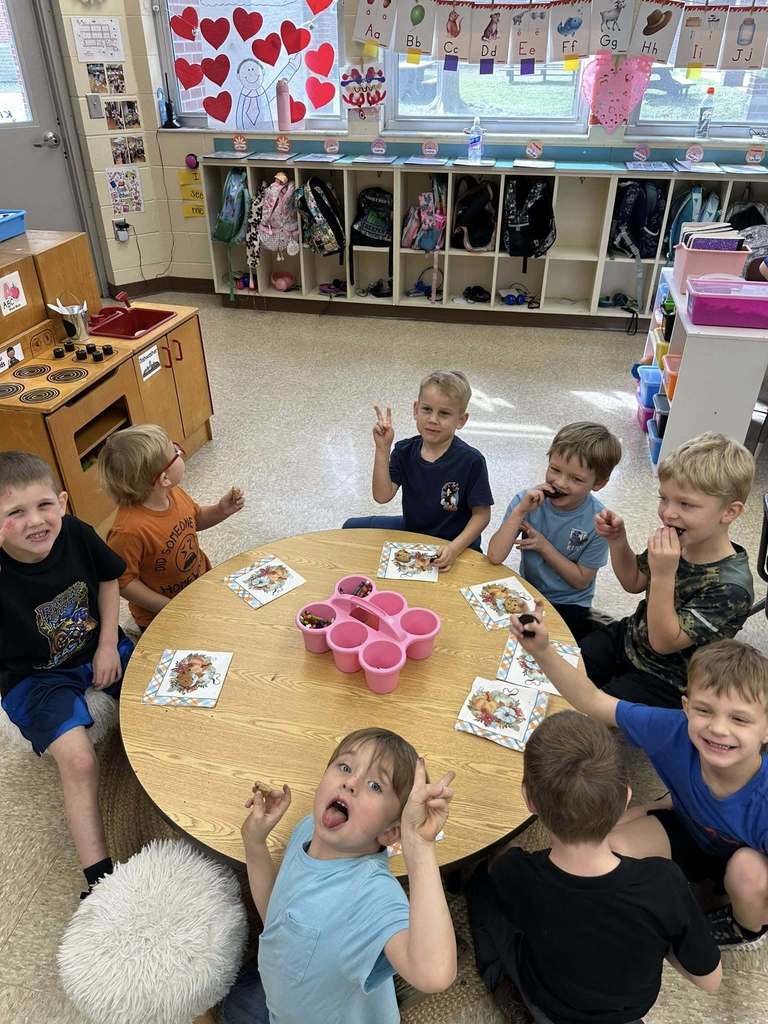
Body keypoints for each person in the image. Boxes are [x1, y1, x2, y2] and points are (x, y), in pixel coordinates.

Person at [510, 608, 768, 951]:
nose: (719, 728)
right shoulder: (671, 729)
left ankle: (746, 928)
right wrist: (542, 651)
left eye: (739, 719)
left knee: (747, 872)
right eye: (705, 710)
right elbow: (592, 700)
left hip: (746, 856)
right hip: (689, 829)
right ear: (686, 707)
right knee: (604, 847)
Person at [467, 711, 721, 1023]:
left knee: (480, 887)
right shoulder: (663, 882)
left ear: (529, 800)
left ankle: (503, 985)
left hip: (549, 999)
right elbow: (709, 980)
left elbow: (503, 865)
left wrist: (501, 856)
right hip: (628, 1012)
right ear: (627, 796)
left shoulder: (517, 873)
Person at [218, 728, 456, 1024]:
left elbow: (434, 973)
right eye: (345, 766)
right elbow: (277, 917)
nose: (351, 782)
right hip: (279, 999)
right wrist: (254, 843)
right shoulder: (307, 829)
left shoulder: (372, 894)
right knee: (233, 1006)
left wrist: (419, 846)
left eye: (375, 786)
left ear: (391, 831)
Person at [0, 451, 133, 897]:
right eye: (14, 512)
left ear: (62, 502)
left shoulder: (75, 532)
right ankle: (98, 878)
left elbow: (109, 580)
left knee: (162, 689)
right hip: (33, 679)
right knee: (78, 760)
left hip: (96, 646)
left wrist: (110, 644)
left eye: (44, 505)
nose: (35, 521)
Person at [581, 432, 754, 707]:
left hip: (668, 679)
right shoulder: (680, 537)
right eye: (664, 498)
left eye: (685, 503)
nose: (667, 513)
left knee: (588, 709)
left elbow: (663, 642)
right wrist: (618, 540)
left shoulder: (731, 588)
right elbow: (633, 581)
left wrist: (664, 574)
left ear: (730, 512)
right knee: (564, 668)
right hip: (629, 638)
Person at [98, 424, 244, 631]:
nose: (180, 452)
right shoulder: (128, 530)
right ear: (163, 478)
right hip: (160, 616)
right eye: (175, 452)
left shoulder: (173, 494)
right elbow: (124, 582)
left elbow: (195, 518)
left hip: (199, 588)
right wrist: (168, 607)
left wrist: (221, 510)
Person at [343, 370, 493, 571]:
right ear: (416, 409)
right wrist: (382, 449)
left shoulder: (472, 460)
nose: (433, 419)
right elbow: (382, 495)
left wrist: (454, 549)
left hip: (456, 543)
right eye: (427, 409)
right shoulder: (404, 450)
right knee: (350, 528)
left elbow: (482, 516)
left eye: (444, 413)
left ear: (461, 420)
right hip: (413, 533)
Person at [487, 421, 622, 641]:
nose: (560, 482)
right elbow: (494, 556)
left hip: (570, 604)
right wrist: (519, 512)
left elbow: (580, 581)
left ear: (598, 483)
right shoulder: (525, 501)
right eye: (555, 469)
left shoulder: (599, 522)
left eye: (576, 479)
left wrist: (543, 547)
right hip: (529, 592)